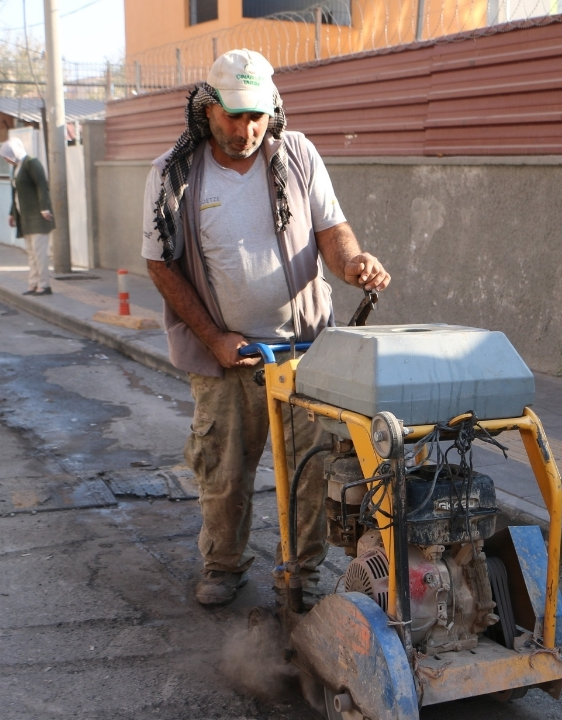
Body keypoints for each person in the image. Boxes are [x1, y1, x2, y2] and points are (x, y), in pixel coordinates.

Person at [142, 49, 390, 606]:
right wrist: (215, 339)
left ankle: (298, 575)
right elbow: (160, 265)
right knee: (224, 473)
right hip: (228, 357)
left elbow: (332, 228)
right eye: (233, 116)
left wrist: (352, 262)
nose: (245, 129)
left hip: (303, 354)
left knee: (310, 471)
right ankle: (224, 567)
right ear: (208, 110)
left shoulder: (297, 154)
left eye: (256, 116)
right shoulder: (173, 173)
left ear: (271, 110)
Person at [0, 137, 55, 296]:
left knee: (39, 253)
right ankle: (33, 284)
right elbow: (16, 193)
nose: (6, 159)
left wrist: (44, 208)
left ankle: (44, 285)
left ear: (15, 152)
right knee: (31, 253)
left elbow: (42, 185)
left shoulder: (31, 163)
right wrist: (12, 213)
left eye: (7, 155)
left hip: (38, 216)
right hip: (25, 217)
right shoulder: (16, 168)